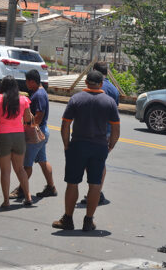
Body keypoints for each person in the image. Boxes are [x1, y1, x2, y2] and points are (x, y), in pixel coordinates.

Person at [52, 70, 120, 231]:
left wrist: (66, 144)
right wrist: (110, 145)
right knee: (95, 184)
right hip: (99, 147)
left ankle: (68, 219)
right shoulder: (109, 102)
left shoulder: (76, 99)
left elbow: (65, 125)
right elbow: (116, 129)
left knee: (72, 183)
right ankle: (88, 221)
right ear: (101, 84)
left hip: (78, 145)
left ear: (86, 82)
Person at [0, 76, 33, 208]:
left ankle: (6, 201)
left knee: (5, 171)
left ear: (2, 86)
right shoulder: (23, 100)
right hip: (19, 136)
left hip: (3, 136)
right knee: (20, 169)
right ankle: (28, 196)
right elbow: (27, 118)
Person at [9, 69, 57, 199]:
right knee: (42, 161)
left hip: (36, 134)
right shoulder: (39, 92)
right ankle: (51, 187)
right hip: (42, 132)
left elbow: (39, 115)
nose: (26, 84)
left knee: (26, 165)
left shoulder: (39, 95)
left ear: (31, 81)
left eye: (27, 81)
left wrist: (29, 127)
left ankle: (21, 190)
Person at [81, 62, 120, 205]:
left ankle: (96, 192)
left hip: (94, 131)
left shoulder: (98, 87)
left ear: (95, 72)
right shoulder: (115, 90)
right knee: (98, 162)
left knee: (93, 163)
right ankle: (96, 191)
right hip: (106, 131)